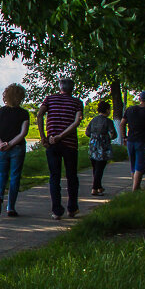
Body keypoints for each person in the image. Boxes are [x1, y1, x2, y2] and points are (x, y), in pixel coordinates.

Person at [37, 78, 84, 219]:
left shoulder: (49, 99)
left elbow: (39, 115)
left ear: (60, 88)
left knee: (54, 177)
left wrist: (43, 137)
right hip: (70, 144)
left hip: (52, 143)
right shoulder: (78, 102)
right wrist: (62, 136)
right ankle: (72, 208)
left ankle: (56, 211)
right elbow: (77, 122)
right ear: (73, 89)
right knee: (71, 176)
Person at [0, 83, 30, 217]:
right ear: (21, 97)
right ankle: (10, 207)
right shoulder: (24, 114)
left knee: (2, 174)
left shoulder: (0, 111)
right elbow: (23, 133)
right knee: (15, 177)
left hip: (1, 148)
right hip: (17, 148)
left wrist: (1, 143)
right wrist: (11, 144)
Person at [85, 100, 117, 196]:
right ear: (107, 110)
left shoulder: (93, 120)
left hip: (93, 145)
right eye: (109, 109)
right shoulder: (108, 121)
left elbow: (87, 132)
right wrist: (108, 137)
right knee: (100, 168)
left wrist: (94, 137)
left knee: (95, 167)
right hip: (103, 146)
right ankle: (94, 188)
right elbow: (113, 134)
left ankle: (99, 187)